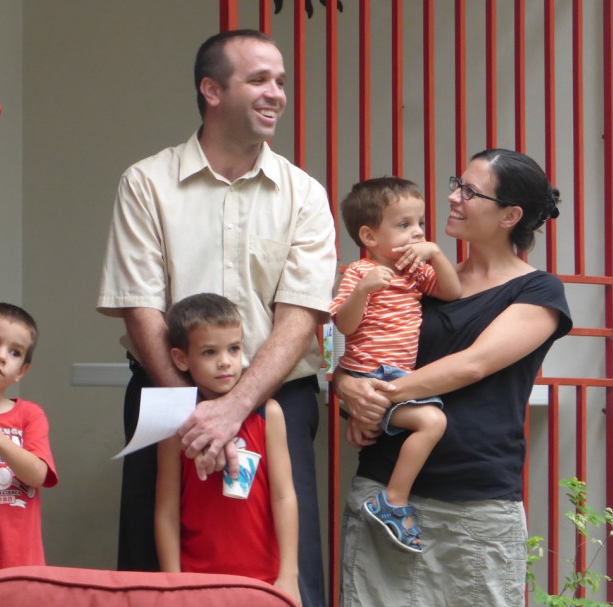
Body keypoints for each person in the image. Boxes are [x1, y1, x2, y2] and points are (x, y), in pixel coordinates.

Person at [96, 29, 335, 606]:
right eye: (259, 79)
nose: (276, 92)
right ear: (211, 89)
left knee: (286, 571)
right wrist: (197, 411)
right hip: (167, 393)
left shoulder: (304, 195)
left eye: (280, 80)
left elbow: (300, 316)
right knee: (158, 572)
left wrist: (233, 407)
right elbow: (139, 305)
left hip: (277, 403)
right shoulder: (146, 182)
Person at [335, 149, 572, 606]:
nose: (452, 197)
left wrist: (380, 397)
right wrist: (349, 388)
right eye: (456, 183)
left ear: (511, 215)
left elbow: (473, 364)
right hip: (383, 489)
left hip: (474, 504)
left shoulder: (538, 290)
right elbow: (363, 351)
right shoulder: (417, 281)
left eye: (469, 191)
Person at [329, 177, 461, 553]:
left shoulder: (415, 271)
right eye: (404, 225)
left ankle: (367, 428)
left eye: (420, 223)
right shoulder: (357, 273)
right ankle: (394, 501)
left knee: (394, 423)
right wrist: (362, 290)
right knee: (432, 421)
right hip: (367, 374)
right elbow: (344, 325)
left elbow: (452, 292)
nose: (417, 232)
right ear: (369, 237)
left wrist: (435, 254)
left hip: (396, 378)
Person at [155, 293, 300, 605]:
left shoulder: (268, 414)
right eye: (209, 352)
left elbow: (284, 496)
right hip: (195, 583)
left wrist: (288, 575)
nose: (225, 361)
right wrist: (173, 583)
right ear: (181, 359)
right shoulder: (175, 424)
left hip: (264, 581)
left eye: (234, 349)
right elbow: (166, 511)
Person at [0, 302, 58, 573]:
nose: (1, 356)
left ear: (22, 371)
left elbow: (37, 475)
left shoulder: (29, 415)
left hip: (18, 561)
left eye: (14, 352)